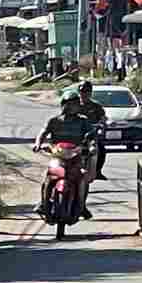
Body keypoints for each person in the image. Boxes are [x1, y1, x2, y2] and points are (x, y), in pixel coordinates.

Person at [34, 90, 95, 221]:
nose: (70, 107)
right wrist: (38, 144)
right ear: (62, 105)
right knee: (49, 177)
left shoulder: (83, 121)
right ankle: (43, 204)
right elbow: (43, 132)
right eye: (68, 104)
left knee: (82, 178)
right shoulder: (54, 121)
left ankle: (82, 206)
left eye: (74, 104)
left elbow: (92, 136)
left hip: (76, 157)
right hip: (58, 156)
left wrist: (92, 146)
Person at [75, 79, 109, 180]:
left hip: (91, 134)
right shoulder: (73, 105)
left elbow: (103, 119)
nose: (84, 94)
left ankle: (97, 171)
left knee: (101, 149)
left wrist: (102, 125)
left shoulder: (96, 106)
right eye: (82, 91)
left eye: (87, 91)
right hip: (75, 134)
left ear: (90, 93)